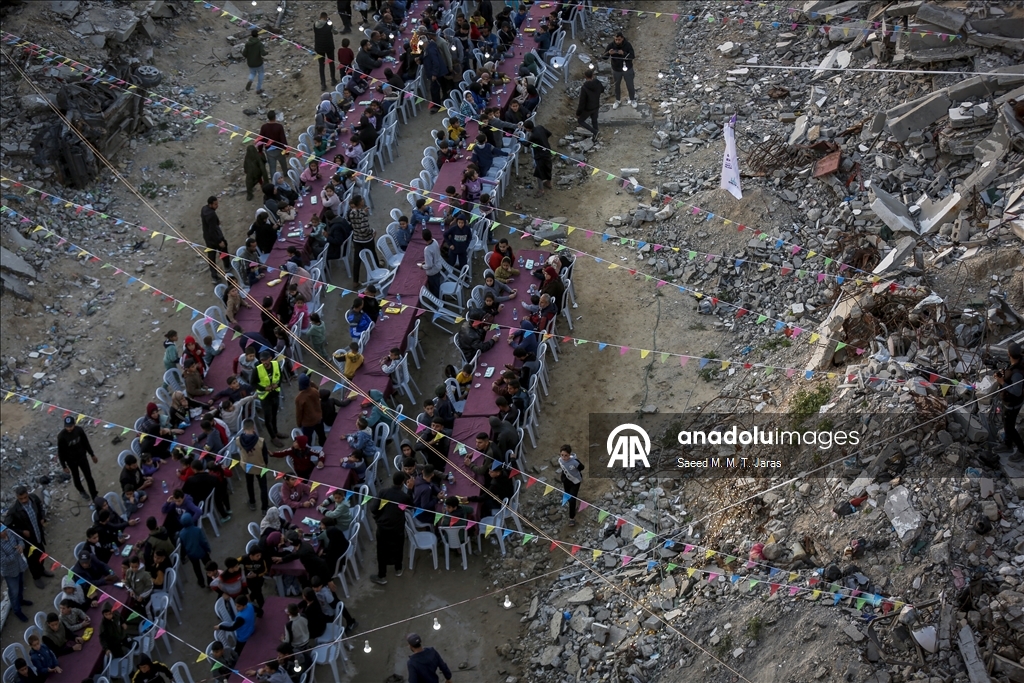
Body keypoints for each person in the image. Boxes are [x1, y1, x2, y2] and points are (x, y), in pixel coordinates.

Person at [370, 472, 413, 584]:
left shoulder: (383, 492)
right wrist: (410, 489)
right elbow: (411, 505)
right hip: (397, 527)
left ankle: (382, 575)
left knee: (382, 550)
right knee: (398, 547)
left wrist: (379, 517)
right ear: (403, 482)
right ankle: (398, 569)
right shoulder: (404, 496)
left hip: (383, 527)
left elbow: (373, 509)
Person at [4, 485, 50, 588]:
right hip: (27, 541)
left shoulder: (33, 499)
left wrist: (42, 518)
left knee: (42, 553)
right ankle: (36, 577)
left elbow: (40, 508)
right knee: (32, 560)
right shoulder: (14, 510)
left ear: (28, 494)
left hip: (38, 535)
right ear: (17, 497)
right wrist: (22, 531)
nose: (24, 500)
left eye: (25, 497)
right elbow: (8, 527)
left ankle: (42, 570)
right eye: (21, 499)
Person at [56, 415, 99, 501]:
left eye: (71, 426)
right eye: (67, 427)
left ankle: (94, 495)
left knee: (89, 476)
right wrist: (64, 466)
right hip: (71, 461)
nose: (69, 428)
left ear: (74, 424)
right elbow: (61, 452)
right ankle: (82, 491)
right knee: (76, 477)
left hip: (82, 457)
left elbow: (86, 443)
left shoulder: (79, 430)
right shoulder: (61, 437)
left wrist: (92, 454)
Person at [997, 341, 1024, 461]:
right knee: (1006, 423)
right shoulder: (1016, 364)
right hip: (1008, 402)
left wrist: (1002, 382)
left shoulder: (1017, 373)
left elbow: (1016, 391)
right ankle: (1007, 444)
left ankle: (1021, 450)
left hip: (1013, 404)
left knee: (1010, 428)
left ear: (1009, 354)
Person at [253, 349, 284, 446]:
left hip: (275, 394)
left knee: (274, 415)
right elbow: (252, 383)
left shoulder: (276, 364)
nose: (264, 362)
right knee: (268, 418)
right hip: (265, 397)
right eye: (262, 360)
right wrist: (264, 388)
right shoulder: (257, 369)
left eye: (265, 360)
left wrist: (277, 384)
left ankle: (276, 432)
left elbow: (280, 376)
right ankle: (273, 437)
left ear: (270, 358)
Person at [0, 526, 30, 622]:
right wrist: (17, 552)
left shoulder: (10, 532)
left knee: (21, 585)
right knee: (14, 591)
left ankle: (20, 600)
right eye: (2, 531)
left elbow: (20, 540)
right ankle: (17, 610)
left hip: (19, 565)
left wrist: (21, 546)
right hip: (10, 572)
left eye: (4, 529)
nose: (5, 532)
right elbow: (4, 561)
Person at [177, 512, 211, 586]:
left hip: (191, 554)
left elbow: (183, 545)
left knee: (196, 568)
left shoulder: (181, 533)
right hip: (202, 551)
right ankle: (210, 580)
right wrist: (208, 549)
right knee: (208, 565)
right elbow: (203, 541)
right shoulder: (197, 530)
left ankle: (201, 582)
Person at [348, 195, 377, 284]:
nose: (363, 200)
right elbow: (364, 229)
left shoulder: (351, 213)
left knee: (357, 260)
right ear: (360, 203)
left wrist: (363, 211)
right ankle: (378, 268)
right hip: (366, 239)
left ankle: (355, 281)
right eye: (362, 200)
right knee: (373, 254)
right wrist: (372, 231)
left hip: (356, 239)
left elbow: (357, 218)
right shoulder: (363, 215)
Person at [603, 32, 636, 108]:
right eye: (616, 39)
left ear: (622, 39)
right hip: (616, 70)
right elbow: (604, 57)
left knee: (630, 85)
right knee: (616, 86)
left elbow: (632, 56)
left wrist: (624, 53)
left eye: (619, 40)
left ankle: (632, 99)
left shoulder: (627, 45)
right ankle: (617, 100)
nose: (617, 41)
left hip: (627, 69)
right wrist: (608, 53)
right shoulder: (611, 45)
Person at [201, 196, 230, 282]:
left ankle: (214, 276)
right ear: (210, 204)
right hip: (215, 236)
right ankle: (227, 266)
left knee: (211, 256)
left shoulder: (204, 209)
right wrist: (219, 241)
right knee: (223, 248)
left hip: (207, 237)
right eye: (215, 204)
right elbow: (212, 230)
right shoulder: (212, 215)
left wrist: (216, 221)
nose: (217, 206)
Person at [295, 373, 326, 446]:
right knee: (322, 436)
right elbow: (316, 387)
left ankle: (309, 450)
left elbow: (299, 413)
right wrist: (311, 383)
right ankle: (324, 448)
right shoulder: (314, 391)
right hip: (318, 418)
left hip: (308, 423)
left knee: (307, 440)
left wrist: (299, 424)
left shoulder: (299, 398)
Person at [524, 120, 553, 196]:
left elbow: (526, 144)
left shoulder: (533, 136)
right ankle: (548, 183)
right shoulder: (540, 127)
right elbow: (549, 133)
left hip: (540, 155)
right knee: (548, 168)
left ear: (528, 129)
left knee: (539, 172)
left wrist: (519, 139)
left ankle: (541, 190)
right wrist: (543, 141)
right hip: (548, 151)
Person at [259, 110, 289, 180]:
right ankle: (285, 173)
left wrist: (260, 150)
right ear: (275, 117)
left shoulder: (264, 127)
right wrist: (286, 151)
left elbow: (261, 139)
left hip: (269, 151)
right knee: (283, 163)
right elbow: (283, 139)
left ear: (268, 117)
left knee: (272, 167)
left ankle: (274, 180)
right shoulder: (279, 127)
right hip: (279, 149)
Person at [576, 69, 605, 140]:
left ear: (585, 76)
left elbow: (582, 102)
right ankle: (596, 136)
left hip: (588, 109)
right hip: (596, 105)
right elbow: (602, 90)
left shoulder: (584, 87)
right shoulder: (597, 82)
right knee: (594, 120)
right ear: (593, 75)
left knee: (580, 121)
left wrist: (578, 113)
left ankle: (594, 132)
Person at [313, 12, 337, 90]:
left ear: (320, 17)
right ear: (326, 17)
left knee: (321, 65)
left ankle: (323, 84)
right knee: (331, 63)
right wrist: (330, 23)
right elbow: (335, 32)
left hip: (319, 48)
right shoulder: (328, 25)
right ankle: (333, 79)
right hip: (329, 47)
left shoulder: (315, 25)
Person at [242, 28, 268, 94]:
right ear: (257, 35)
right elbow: (263, 53)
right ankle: (258, 89)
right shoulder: (259, 44)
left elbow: (244, 54)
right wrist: (267, 52)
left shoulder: (247, 44)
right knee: (261, 74)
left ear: (251, 35)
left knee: (252, 73)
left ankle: (250, 80)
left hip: (250, 63)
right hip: (259, 63)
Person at [420, 228, 444, 297]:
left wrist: (422, 266)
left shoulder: (427, 249)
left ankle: (438, 301)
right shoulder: (435, 241)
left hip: (432, 272)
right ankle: (442, 298)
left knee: (434, 289)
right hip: (438, 266)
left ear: (423, 238)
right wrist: (426, 261)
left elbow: (429, 265)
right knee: (438, 285)